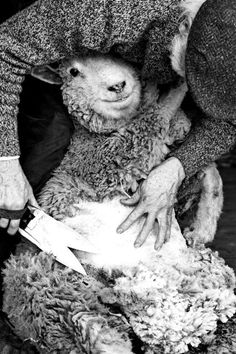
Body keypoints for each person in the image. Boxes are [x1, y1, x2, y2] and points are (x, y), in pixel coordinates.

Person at [0, 0, 235, 251]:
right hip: (62, 66)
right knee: (46, 149)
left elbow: (229, 117)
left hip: (133, 79)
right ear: (184, 26)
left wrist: (176, 167)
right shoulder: (108, 10)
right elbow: (5, 48)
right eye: (194, 73)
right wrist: (6, 165)